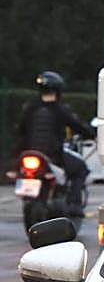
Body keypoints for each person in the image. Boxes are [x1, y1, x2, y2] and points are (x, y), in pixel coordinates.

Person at [14, 71, 96, 217]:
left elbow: (20, 131)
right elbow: (78, 127)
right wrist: (91, 133)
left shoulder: (29, 108)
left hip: (29, 155)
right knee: (81, 169)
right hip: (53, 155)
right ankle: (74, 204)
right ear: (58, 90)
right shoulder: (61, 110)